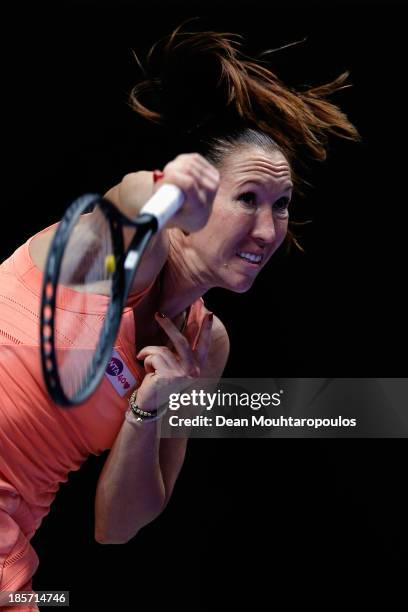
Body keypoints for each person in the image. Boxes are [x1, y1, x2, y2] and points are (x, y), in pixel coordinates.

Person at [0, 25, 359, 607]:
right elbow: (128, 200)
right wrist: (169, 190)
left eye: (282, 206)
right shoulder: (129, 257)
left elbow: (116, 527)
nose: (268, 231)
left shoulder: (206, 345)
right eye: (248, 199)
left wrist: (149, 409)